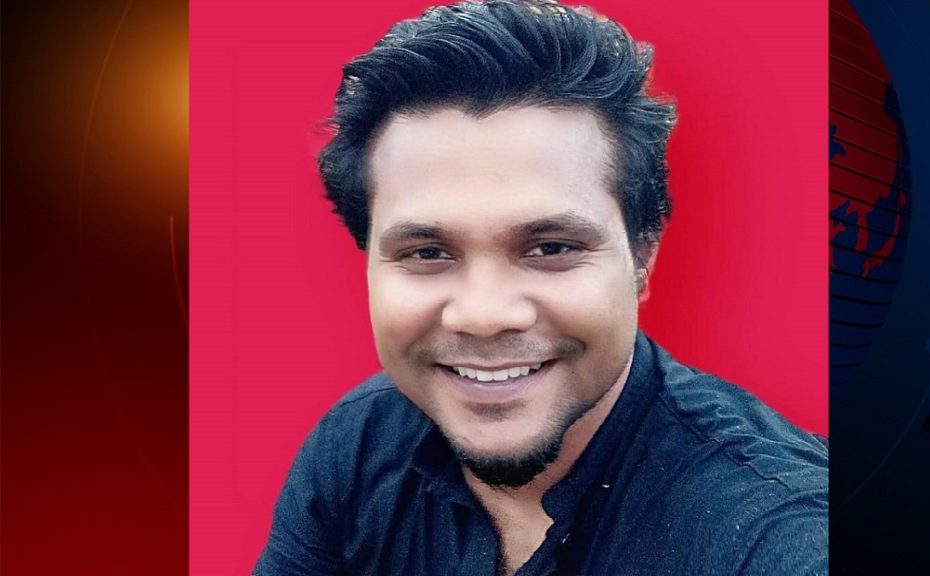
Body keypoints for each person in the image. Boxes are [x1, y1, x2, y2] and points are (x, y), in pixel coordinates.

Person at [254, 1, 828, 574]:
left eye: (551, 248)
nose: (484, 315)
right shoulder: (357, 442)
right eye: (427, 253)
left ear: (642, 257)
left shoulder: (778, 533)